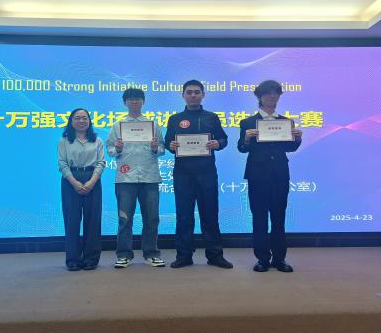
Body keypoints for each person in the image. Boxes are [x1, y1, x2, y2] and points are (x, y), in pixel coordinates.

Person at [164, 79, 233, 269]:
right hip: (183, 174)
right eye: (189, 92)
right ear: (183, 95)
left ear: (203, 95)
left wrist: (217, 143)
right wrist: (171, 145)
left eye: (196, 92)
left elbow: (223, 139)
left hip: (207, 172)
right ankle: (184, 255)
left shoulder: (212, 117)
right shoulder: (175, 119)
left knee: (210, 214)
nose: (193, 95)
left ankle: (215, 255)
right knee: (184, 216)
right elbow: (167, 142)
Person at [237, 80, 302, 273]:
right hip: (257, 175)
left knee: (279, 217)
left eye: (276, 93)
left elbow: (289, 147)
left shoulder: (286, 122)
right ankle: (262, 259)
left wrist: (297, 139)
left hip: (280, 174)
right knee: (259, 218)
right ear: (259, 96)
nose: (272, 96)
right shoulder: (248, 122)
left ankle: (280, 259)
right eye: (267, 93)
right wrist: (246, 138)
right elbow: (242, 148)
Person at [106, 88, 166, 268]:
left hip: (149, 177)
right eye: (131, 99)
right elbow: (109, 150)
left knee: (152, 218)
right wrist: (117, 148)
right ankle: (124, 255)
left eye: (138, 99)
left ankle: (151, 253)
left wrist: (155, 148)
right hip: (126, 178)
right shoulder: (118, 125)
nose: (134, 102)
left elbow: (162, 149)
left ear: (143, 102)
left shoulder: (153, 124)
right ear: (125, 102)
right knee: (124, 219)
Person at [58, 108, 105, 271]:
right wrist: (74, 183)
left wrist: (91, 182)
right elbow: (62, 164)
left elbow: (101, 163)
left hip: (93, 178)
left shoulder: (97, 140)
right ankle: (73, 259)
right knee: (72, 220)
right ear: (71, 121)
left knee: (93, 221)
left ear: (89, 121)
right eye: (77, 118)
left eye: (84, 118)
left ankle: (91, 259)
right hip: (70, 180)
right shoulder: (64, 141)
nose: (81, 121)